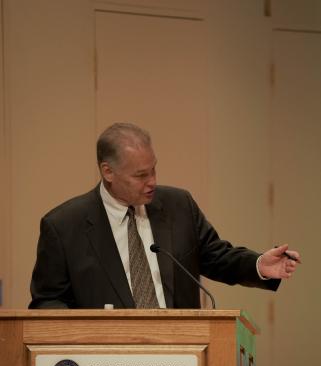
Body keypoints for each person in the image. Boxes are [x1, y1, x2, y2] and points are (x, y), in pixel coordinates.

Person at [29, 122, 300, 309]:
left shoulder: (178, 205)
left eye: (154, 170)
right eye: (141, 175)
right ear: (107, 172)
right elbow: (47, 302)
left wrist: (258, 265)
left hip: (179, 362)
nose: (152, 182)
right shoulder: (64, 227)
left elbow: (216, 256)